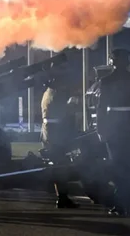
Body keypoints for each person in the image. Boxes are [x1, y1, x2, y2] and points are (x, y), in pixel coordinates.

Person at [94, 48, 130, 217]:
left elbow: (101, 107)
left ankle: (121, 204)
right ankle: (128, 204)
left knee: (118, 166)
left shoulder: (106, 81)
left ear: (112, 62)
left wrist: (100, 128)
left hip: (114, 124)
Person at [40, 74, 81, 209]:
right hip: (57, 133)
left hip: (48, 131)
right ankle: (62, 198)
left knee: (58, 165)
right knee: (61, 166)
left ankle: (62, 197)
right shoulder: (57, 94)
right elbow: (65, 114)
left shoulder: (47, 93)